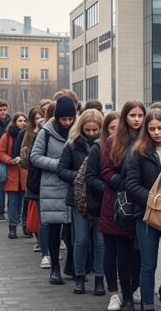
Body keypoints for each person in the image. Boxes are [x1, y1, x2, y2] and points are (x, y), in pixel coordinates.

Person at [126, 109, 161, 311]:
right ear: (146, 130)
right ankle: (147, 306)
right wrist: (154, 200)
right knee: (148, 265)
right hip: (146, 215)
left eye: (160, 128)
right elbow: (132, 185)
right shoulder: (139, 152)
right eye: (152, 128)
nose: (156, 132)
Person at [101, 101, 145, 311]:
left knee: (138, 253)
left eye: (140, 115)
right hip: (118, 204)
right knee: (121, 252)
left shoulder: (147, 139)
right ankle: (123, 295)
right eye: (132, 115)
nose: (136, 119)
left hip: (141, 202)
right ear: (125, 117)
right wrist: (124, 184)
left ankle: (136, 288)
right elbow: (106, 170)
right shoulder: (114, 140)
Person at [57, 108, 106, 295]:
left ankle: (99, 278)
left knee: (100, 241)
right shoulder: (72, 145)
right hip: (80, 198)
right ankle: (79, 276)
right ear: (81, 127)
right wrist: (80, 177)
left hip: (100, 197)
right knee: (81, 240)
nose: (91, 133)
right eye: (88, 130)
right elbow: (61, 170)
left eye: (95, 130)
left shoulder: (106, 145)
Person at [31, 96, 77, 285]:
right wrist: (59, 165)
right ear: (57, 117)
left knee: (73, 231)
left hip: (74, 185)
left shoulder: (78, 130)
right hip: (53, 186)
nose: (67, 122)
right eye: (63, 119)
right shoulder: (46, 132)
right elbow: (35, 156)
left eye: (70, 119)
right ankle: (55, 269)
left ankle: (72, 265)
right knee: (54, 228)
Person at [86, 111, 120, 308]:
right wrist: (110, 189)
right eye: (112, 128)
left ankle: (132, 287)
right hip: (104, 204)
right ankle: (111, 288)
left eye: (119, 128)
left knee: (130, 252)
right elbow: (91, 177)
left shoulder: (133, 145)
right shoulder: (98, 147)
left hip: (128, 205)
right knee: (107, 248)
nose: (116, 131)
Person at [22, 107, 49, 263]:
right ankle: (44, 250)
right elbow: (30, 159)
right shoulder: (33, 134)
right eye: (36, 117)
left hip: (56, 184)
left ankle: (51, 248)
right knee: (42, 218)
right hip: (38, 183)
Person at [0, 112, 27, 238]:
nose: (23, 123)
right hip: (12, 172)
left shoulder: (28, 134)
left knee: (25, 202)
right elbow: (0, 152)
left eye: (24, 121)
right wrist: (10, 160)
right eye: (20, 121)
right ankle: (12, 227)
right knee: (13, 202)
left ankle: (26, 226)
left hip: (25, 173)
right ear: (14, 122)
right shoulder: (7, 136)